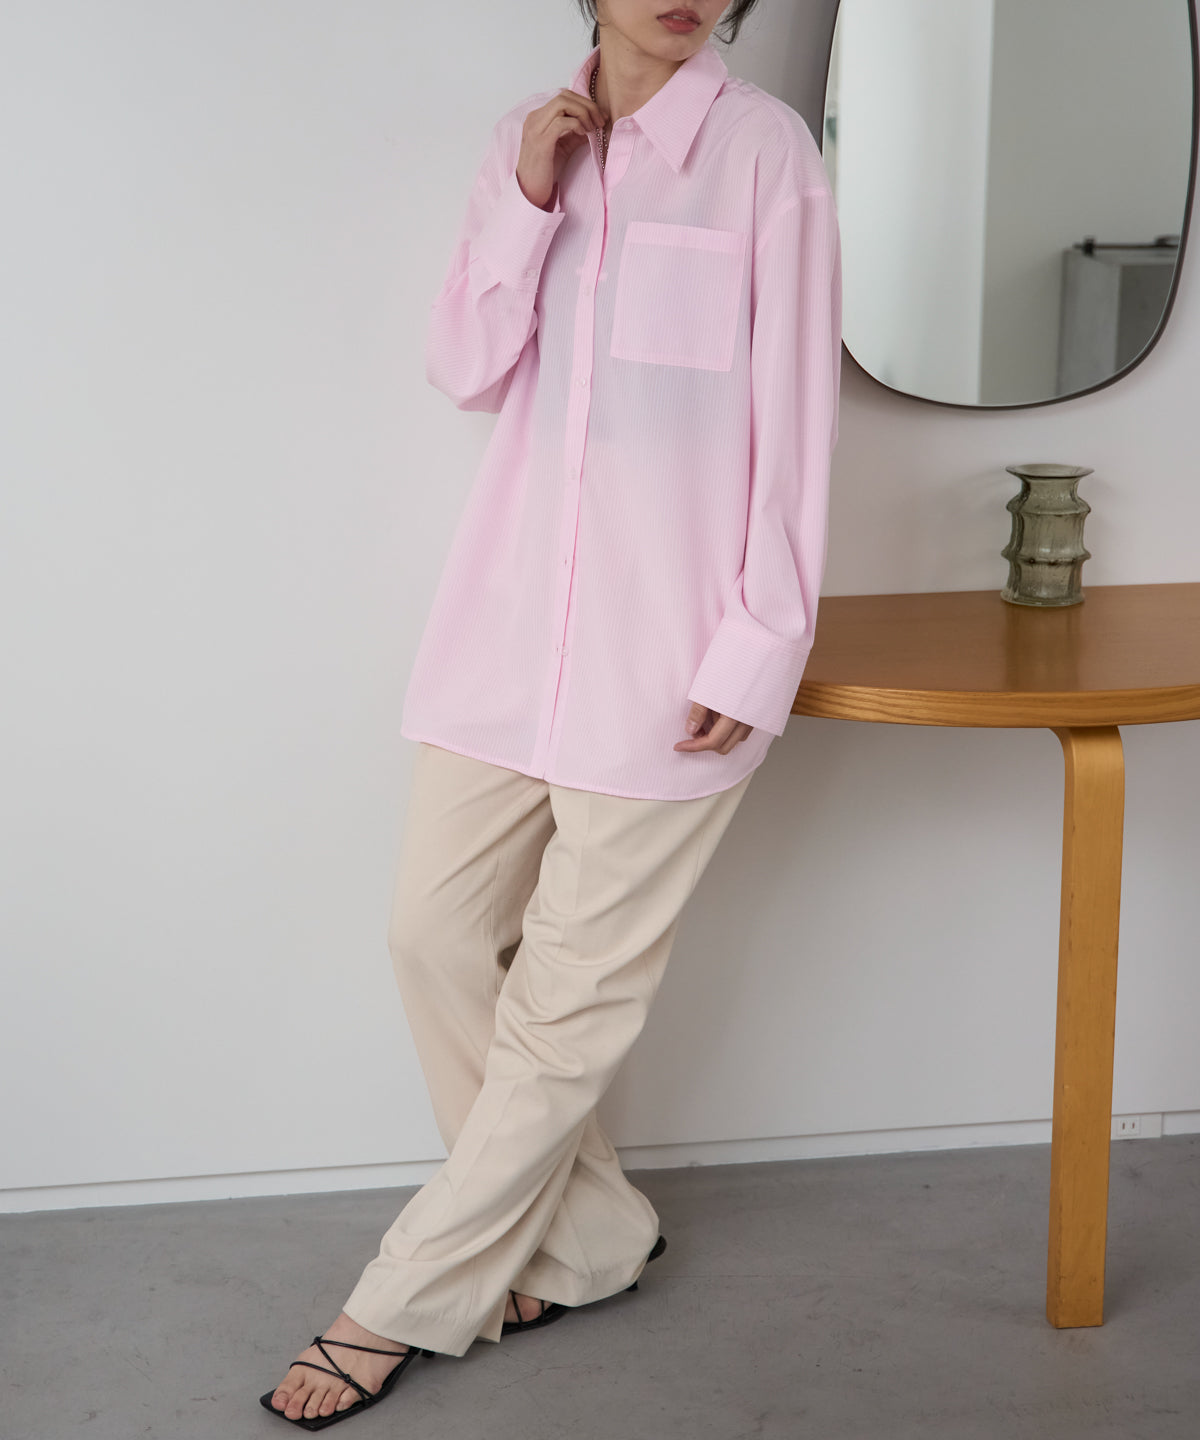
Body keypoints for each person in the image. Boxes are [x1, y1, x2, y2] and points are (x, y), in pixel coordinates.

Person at [260, 0, 841, 1426]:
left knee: (566, 1009)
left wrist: (758, 644)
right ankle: (589, 1239)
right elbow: (466, 369)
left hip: (671, 656)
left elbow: (797, 418)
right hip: (509, 640)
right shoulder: (528, 142)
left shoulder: (765, 154)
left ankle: (395, 1305)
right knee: (433, 935)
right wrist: (527, 196)